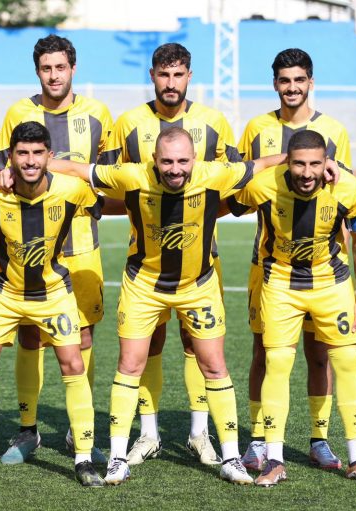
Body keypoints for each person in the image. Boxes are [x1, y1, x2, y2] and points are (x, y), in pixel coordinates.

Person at [41, 126, 296, 485]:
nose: (175, 169)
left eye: (182, 161)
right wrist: (27, 168)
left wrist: (299, 158)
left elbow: (260, 165)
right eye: (167, 162)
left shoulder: (215, 174)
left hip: (198, 286)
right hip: (144, 286)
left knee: (214, 365)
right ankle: (117, 459)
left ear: (195, 159)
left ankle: (231, 458)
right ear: (154, 160)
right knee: (130, 365)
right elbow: (78, 169)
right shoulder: (132, 175)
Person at [99, 42, 241, 466]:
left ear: (189, 76)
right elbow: (110, 188)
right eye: (164, 74)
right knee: (150, 343)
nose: (171, 82)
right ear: (152, 76)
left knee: (198, 345)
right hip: (147, 263)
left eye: (178, 74)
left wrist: (204, 216)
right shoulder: (128, 123)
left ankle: (200, 433)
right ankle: (148, 433)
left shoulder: (214, 122)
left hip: (201, 261)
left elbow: (236, 187)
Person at [226, 129, 356, 486]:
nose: (306, 173)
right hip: (280, 285)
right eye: (298, 164)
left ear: (326, 162)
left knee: (346, 362)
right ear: (287, 161)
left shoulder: (348, 188)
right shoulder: (263, 185)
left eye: (315, 164)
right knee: (277, 363)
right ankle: (273, 460)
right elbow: (229, 200)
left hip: (332, 284)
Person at [0, 121, 105, 488]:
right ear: (10, 157)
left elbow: (103, 201)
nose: (30, 160)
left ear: (49, 156)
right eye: (22, 153)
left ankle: (84, 457)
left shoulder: (72, 190)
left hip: (52, 291)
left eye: (38, 153)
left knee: (73, 363)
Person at [0, 34, 112, 465]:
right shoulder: (18, 113)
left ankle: (80, 431)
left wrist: (63, 169)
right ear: (37, 71)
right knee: (30, 333)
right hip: (29, 247)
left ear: (73, 69)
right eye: (46, 68)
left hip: (81, 244)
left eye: (61, 67)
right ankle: (28, 429)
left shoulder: (97, 114)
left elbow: (105, 178)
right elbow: (5, 172)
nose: (54, 75)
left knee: (83, 335)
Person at [236, 48, 353, 472]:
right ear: (275, 84)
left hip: (322, 269)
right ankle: (258, 439)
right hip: (269, 266)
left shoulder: (334, 130)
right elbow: (241, 183)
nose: (292, 87)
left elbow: (343, 197)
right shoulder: (257, 128)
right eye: (284, 80)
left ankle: (319, 439)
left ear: (310, 82)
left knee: (320, 354)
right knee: (264, 353)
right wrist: (276, 161)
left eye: (299, 80)